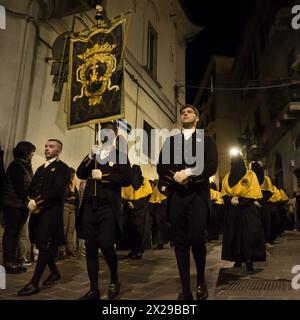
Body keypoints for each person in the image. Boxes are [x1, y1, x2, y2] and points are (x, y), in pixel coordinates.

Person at [157, 104, 218, 300]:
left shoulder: (206, 140)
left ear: (197, 118)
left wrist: (190, 173)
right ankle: (185, 288)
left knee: (197, 239)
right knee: (180, 242)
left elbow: (211, 165)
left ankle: (200, 281)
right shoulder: (171, 141)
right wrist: (175, 175)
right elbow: (161, 166)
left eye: (189, 112)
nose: (185, 114)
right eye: (183, 112)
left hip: (197, 195)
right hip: (176, 196)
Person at [76, 121, 131, 300]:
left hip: (108, 206)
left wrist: (104, 177)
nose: (103, 133)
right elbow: (79, 173)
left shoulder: (120, 154)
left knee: (107, 245)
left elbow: (126, 178)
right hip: (90, 206)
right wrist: (90, 155)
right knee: (91, 248)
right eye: (101, 130)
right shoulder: (94, 155)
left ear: (114, 135)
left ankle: (114, 278)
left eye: (107, 130)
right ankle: (94, 289)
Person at [17, 139, 70, 296]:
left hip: (51, 212)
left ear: (58, 151)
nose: (47, 149)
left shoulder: (62, 168)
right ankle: (54, 273)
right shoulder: (41, 168)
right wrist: (29, 200)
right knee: (41, 243)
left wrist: (37, 203)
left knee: (45, 245)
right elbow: (32, 187)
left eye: (51, 147)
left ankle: (34, 282)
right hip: (38, 212)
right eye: (46, 146)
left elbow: (57, 191)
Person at [221, 153, 266, 271]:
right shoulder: (227, 177)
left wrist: (238, 201)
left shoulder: (250, 175)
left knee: (248, 236)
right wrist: (230, 200)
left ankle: (249, 259)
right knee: (235, 235)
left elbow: (252, 192)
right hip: (234, 211)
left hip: (246, 210)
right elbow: (224, 194)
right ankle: (237, 259)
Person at [1, 141, 35, 274]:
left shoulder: (25, 166)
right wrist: (28, 200)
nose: (32, 155)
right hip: (13, 204)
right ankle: (8, 262)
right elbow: (20, 187)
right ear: (26, 152)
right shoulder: (16, 165)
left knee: (16, 234)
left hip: (20, 205)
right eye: (31, 152)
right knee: (11, 233)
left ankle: (14, 261)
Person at [121, 165, 153, 259]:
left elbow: (147, 196)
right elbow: (123, 195)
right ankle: (133, 250)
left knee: (140, 231)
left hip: (141, 210)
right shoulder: (127, 181)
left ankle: (139, 251)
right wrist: (128, 203)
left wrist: (136, 204)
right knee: (130, 231)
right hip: (129, 210)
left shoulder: (144, 181)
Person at [58, 168, 78, 259]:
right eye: (72, 174)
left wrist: (72, 196)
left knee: (71, 229)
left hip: (73, 208)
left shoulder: (73, 184)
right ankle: (62, 250)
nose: (73, 176)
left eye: (74, 175)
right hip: (65, 207)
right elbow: (64, 195)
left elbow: (76, 196)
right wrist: (70, 196)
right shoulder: (64, 183)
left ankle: (70, 249)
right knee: (64, 228)